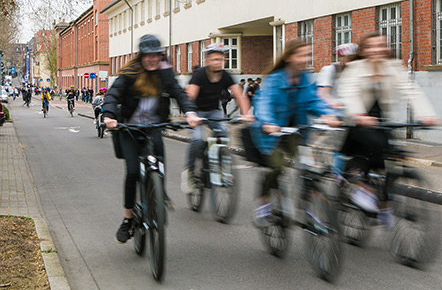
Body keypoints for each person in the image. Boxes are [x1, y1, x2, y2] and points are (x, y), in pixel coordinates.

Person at [102, 34, 201, 244]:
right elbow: (113, 94)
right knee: (131, 172)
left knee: (159, 163)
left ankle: (158, 193)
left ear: (160, 55)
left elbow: (179, 93)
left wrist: (190, 112)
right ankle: (128, 219)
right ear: (141, 56)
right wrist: (109, 115)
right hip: (129, 128)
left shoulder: (164, 73)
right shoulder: (130, 73)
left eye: (156, 55)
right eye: (148, 56)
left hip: (153, 127)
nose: (152, 60)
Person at [338, 32, 440, 228]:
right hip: (357, 123)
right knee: (373, 150)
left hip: (381, 123)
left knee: (395, 156)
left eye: (381, 45)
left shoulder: (392, 67)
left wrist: (426, 114)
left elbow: (411, 90)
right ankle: (359, 187)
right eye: (372, 46)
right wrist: (359, 115)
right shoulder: (355, 68)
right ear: (365, 51)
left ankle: (384, 202)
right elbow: (348, 93)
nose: (377, 49)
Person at [250, 39, 341, 227]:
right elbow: (264, 103)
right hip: (270, 134)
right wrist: (268, 123)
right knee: (277, 166)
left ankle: (309, 203)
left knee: (308, 165)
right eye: (302, 55)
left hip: (295, 132)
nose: (307, 59)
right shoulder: (275, 79)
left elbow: (312, 100)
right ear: (290, 57)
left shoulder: (304, 78)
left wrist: (328, 114)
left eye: (309, 55)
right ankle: (263, 202)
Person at [181, 43, 252, 193]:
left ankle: (218, 163)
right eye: (214, 59)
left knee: (224, 132)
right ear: (207, 60)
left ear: (224, 60)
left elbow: (239, 94)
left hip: (213, 111)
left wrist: (246, 113)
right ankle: (190, 171)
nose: (217, 62)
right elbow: (190, 96)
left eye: (220, 59)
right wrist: (191, 114)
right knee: (198, 138)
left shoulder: (225, 76)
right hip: (197, 111)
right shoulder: (200, 74)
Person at [317, 43, 359, 110]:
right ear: (341, 58)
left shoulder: (355, 71)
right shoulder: (330, 70)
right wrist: (332, 103)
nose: (352, 61)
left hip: (350, 110)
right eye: (350, 58)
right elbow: (322, 93)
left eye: (356, 59)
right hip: (332, 110)